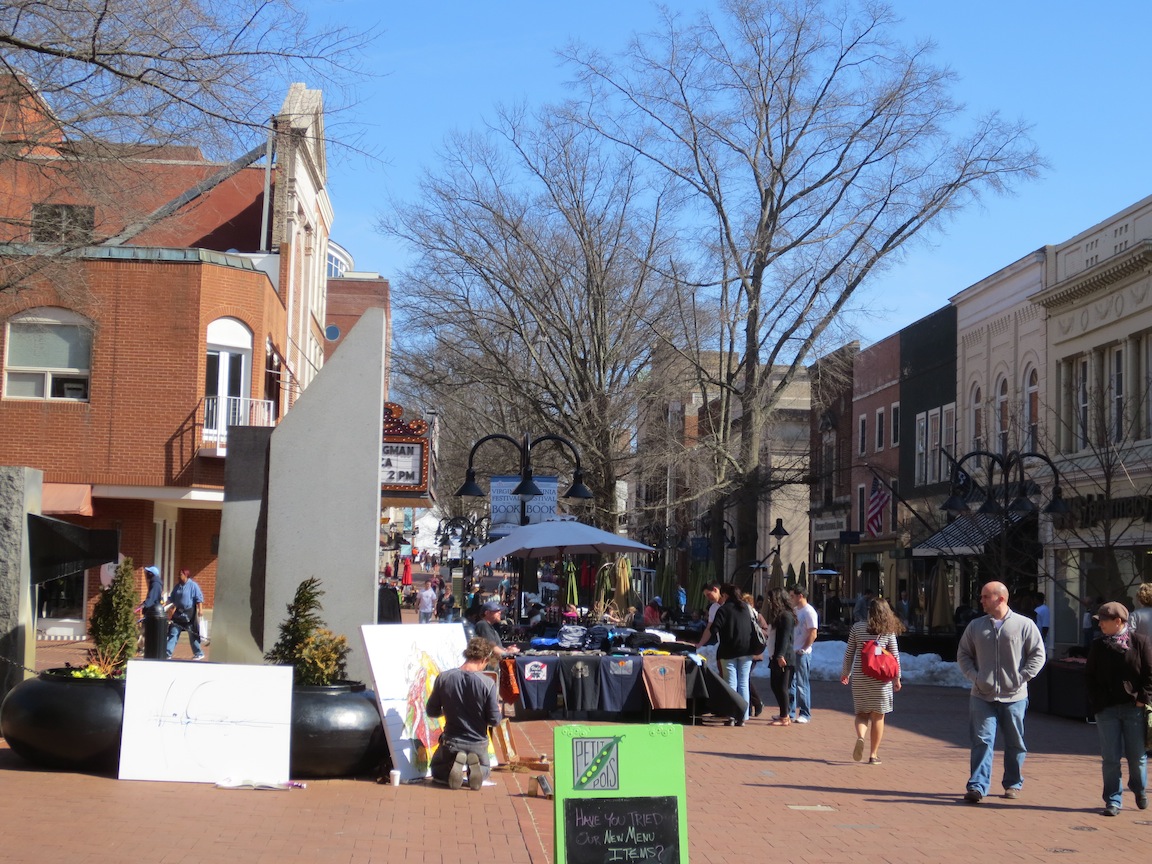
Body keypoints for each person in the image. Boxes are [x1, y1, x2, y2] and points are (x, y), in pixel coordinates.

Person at [956, 581, 1046, 803]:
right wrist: (975, 677)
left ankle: (1013, 782)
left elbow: (1038, 654)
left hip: (1014, 696)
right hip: (982, 695)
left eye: (986, 596)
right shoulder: (976, 626)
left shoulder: (1024, 625)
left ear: (1001, 598)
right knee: (982, 740)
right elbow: (963, 654)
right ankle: (977, 786)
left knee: (1015, 742)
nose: (981, 600)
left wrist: (1021, 677)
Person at [1085, 601, 1152, 816]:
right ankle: (1113, 799)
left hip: (1134, 708)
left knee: (1137, 756)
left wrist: (1143, 698)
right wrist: (1097, 701)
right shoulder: (1098, 645)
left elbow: (1150, 674)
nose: (1100, 625)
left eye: (1103, 621)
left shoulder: (1140, 642)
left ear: (1118, 621)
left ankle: (1139, 788)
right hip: (1107, 709)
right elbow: (1089, 676)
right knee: (1111, 758)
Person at [425, 636, 502, 791]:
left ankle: (452, 766)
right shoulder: (487, 683)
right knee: (486, 768)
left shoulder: (444, 678)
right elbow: (494, 721)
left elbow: (431, 711)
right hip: (478, 742)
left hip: (452, 741)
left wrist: (447, 710)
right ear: (484, 659)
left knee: (437, 770)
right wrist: (497, 712)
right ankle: (478, 769)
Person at [841, 598, 904, 764]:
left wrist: (845, 672)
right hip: (881, 679)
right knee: (878, 717)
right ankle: (873, 754)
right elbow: (895, 655)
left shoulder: (857, 628)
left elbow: (849, 653)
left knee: (862, 714)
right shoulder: (888, 631)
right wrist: (897, 678)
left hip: (861, 677)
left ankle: (861, 737)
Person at [695, 583, 756, 726]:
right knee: (743, 682)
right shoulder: (746, 608)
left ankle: (732, 715)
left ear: (725, 595)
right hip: (747, 650)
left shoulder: (723, 610)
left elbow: (714, 628)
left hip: (728, 650)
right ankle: (744, 716)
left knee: (731, 683)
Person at [762, 587, 796, 726]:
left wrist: (780, 655)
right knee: (775, 685)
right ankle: (784, 712)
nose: (770, 602)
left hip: (784, 656)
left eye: (771, 599)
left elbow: (785, 638)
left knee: (782, 686)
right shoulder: (780, 615)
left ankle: (785, 717)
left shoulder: (786, 616)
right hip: (776, 655)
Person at [789, 585, 819, 723]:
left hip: (802, 652)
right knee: (790, 683)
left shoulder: (809, 611)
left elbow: (813, 632)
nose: (791, 599)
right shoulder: (795, 610)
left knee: (802, 683)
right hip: (793, 650)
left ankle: (805, 713)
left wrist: (804, 647)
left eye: (792, 596)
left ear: (800, 596)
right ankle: (789, 712)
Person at [165, 568, 204, 660]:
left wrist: (200, 610)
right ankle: (167, 652)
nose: (179, 576)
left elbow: (199, 598)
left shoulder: (193, 585)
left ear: (186, 575)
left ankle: (199, 653)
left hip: (189, 613)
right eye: (179, 574)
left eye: (181, 574)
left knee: (192, 634)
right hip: (178, 613)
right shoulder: (177, 586)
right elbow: (172, 598)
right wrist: (165, 605)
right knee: (173, 632)